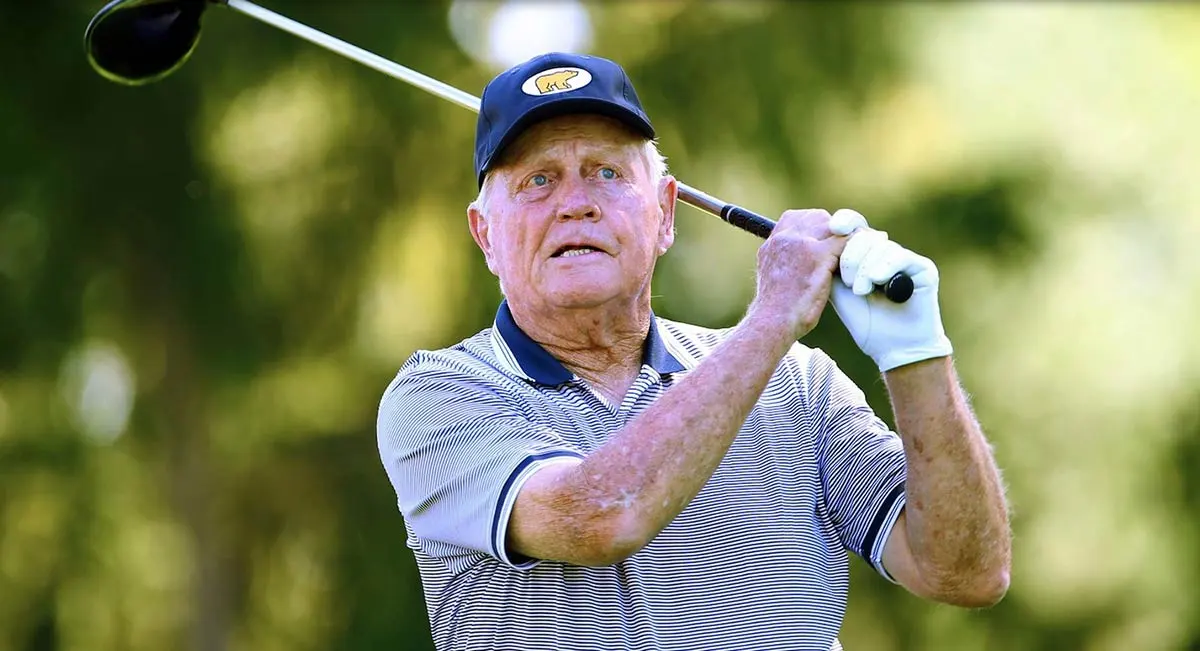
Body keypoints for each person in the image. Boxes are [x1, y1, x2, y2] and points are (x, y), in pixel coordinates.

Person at [376, 52, 1011, 651]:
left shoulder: (798, 383)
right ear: (485, 235)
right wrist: (773, 317)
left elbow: (965, 572)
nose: (575, 204)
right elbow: (600, 517)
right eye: (538, 180)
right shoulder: (438, 394)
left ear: (665, 212)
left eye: (607, 173)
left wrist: (917, 356)